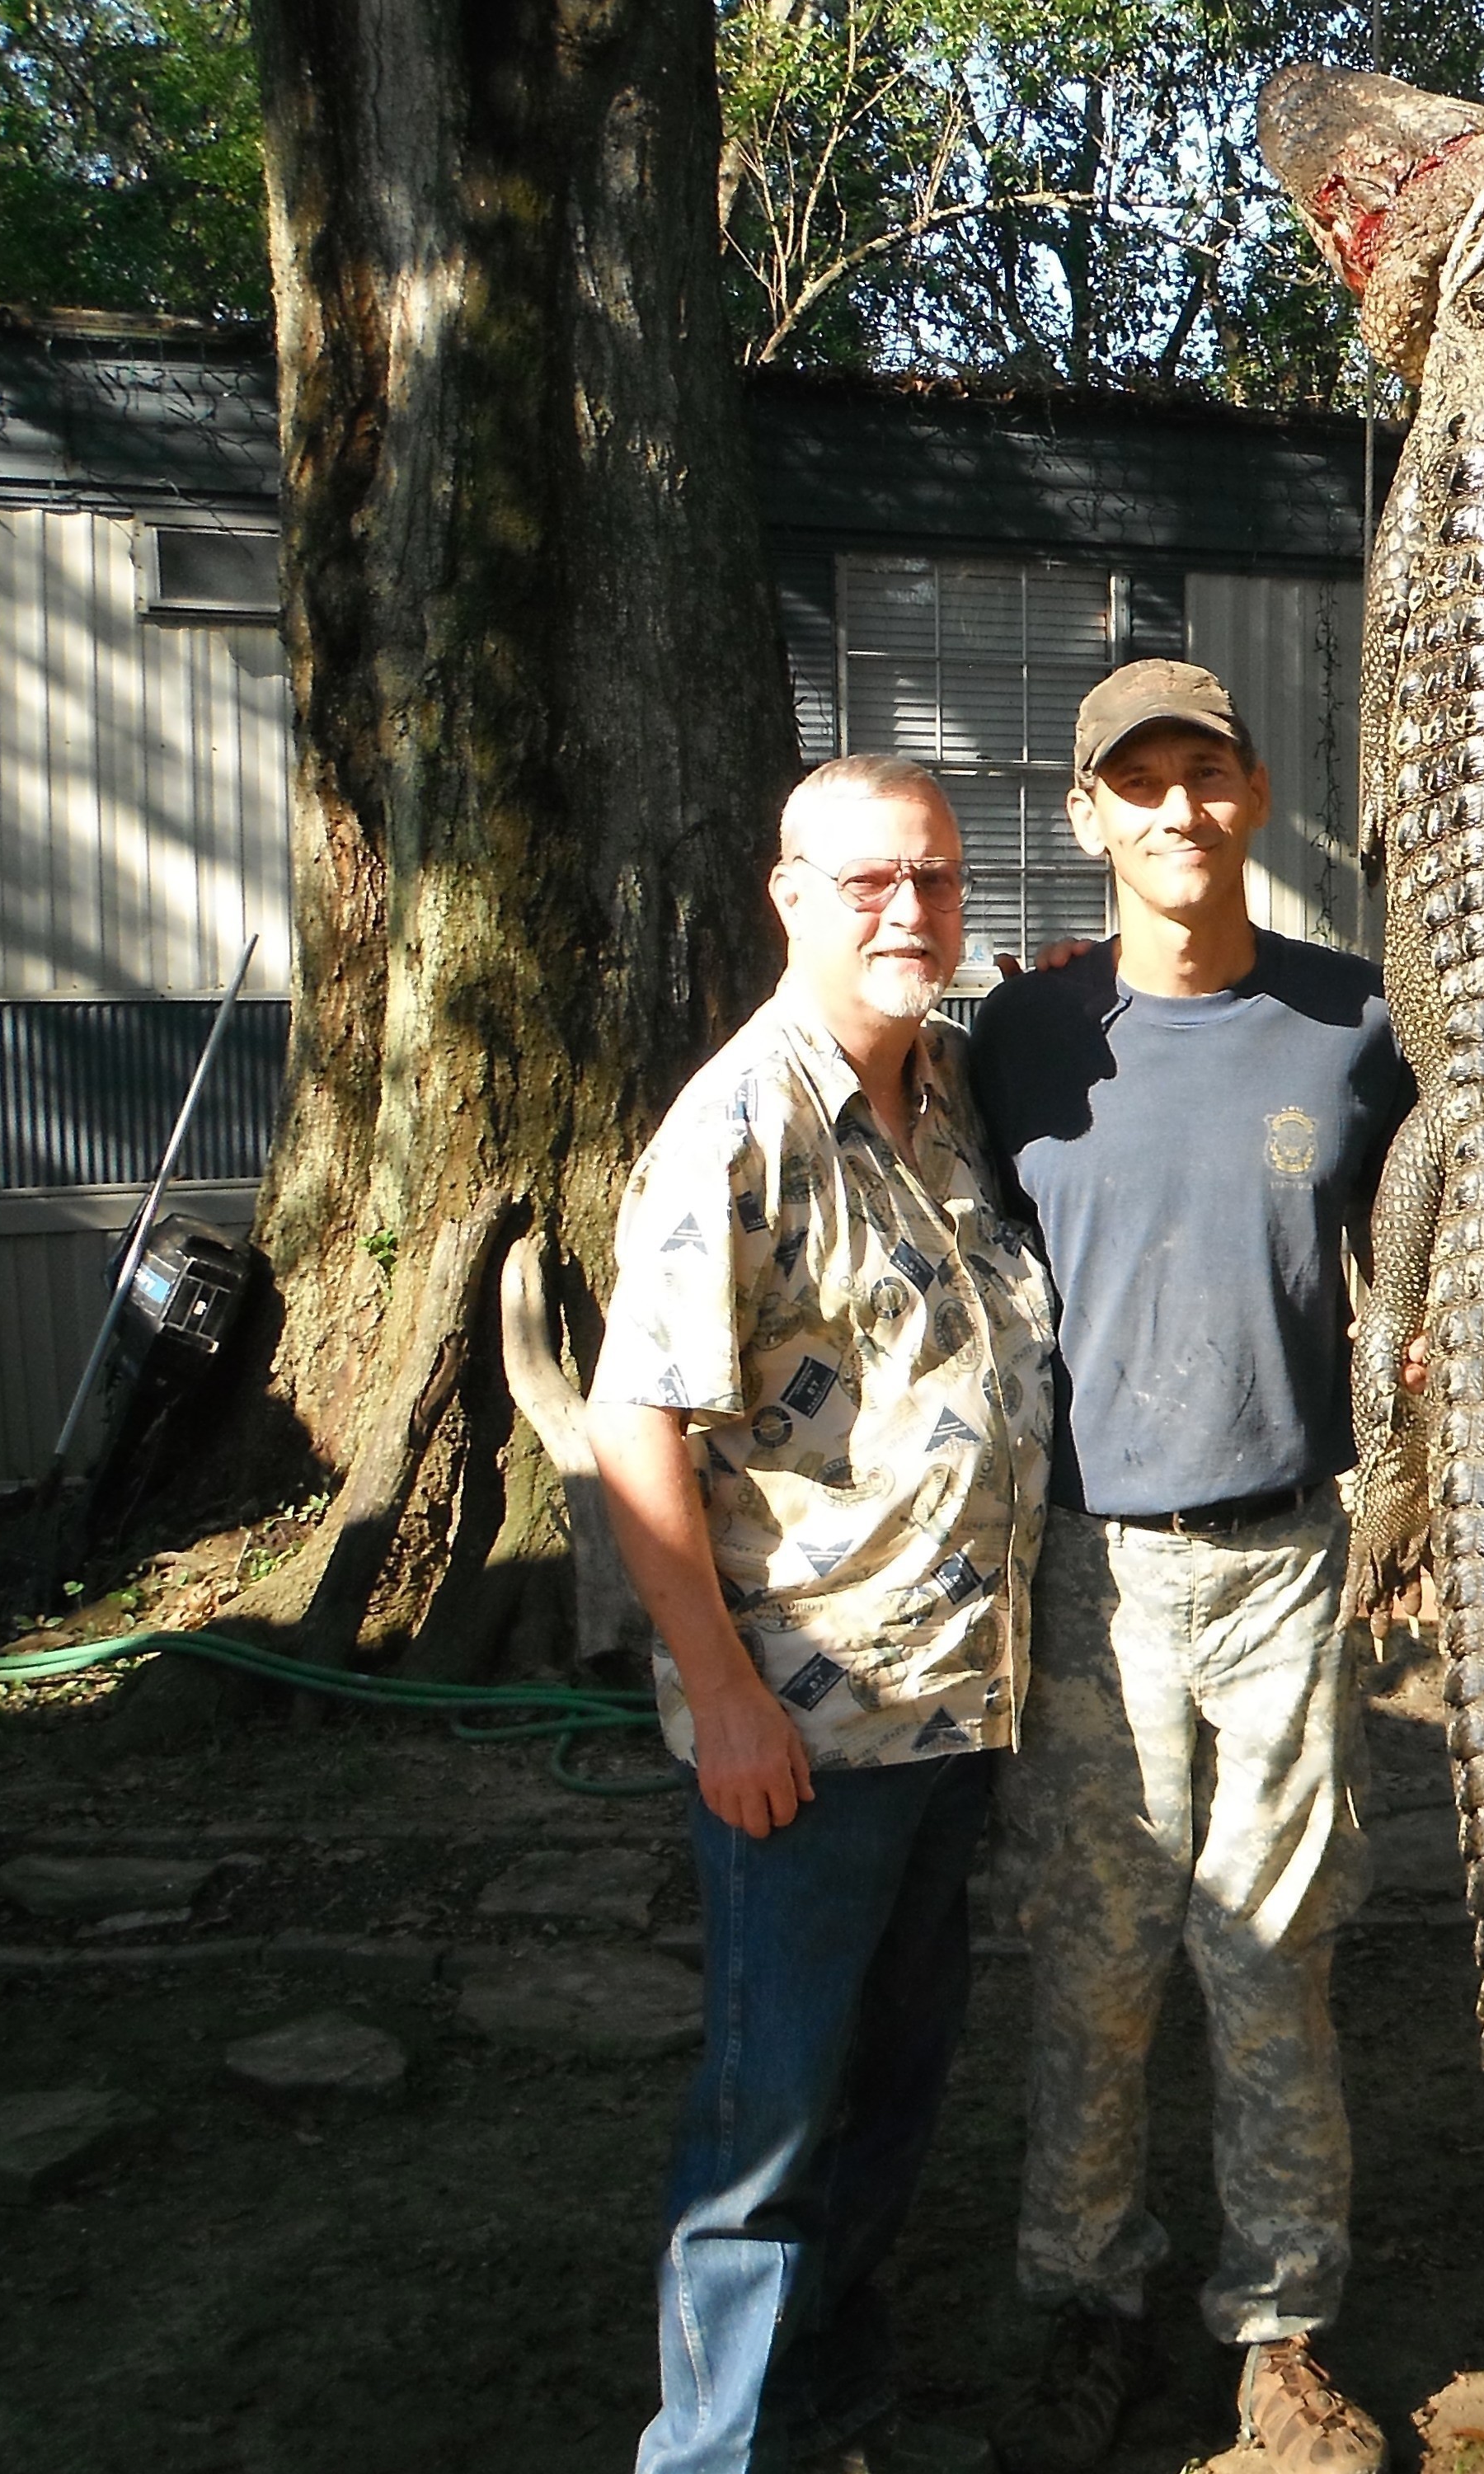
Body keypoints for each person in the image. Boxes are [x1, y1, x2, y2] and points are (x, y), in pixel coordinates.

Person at [965, 660, 1412, 2474]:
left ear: (1254, 795)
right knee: (1095, 1964)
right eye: (1133, 781)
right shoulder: (1017, 1039)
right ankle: (1089, 2299)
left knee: (1274, 1960)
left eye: (1205, 773)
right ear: (1086, 816)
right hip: (1089, 1571)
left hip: (1291, 1553)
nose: (1175, 810)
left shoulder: (1360, 1025)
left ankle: (1282, 2329)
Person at [589, 753, 1058, 2474]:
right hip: (808, 1725)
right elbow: (635, 1421)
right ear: (785, 894)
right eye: (866, 880)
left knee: (886, 2102)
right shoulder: (743, 1121)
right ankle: (711, 2455)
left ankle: (827, 2421)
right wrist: (722, 1695)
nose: (907, 909)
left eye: (932, 876)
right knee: (767, 2134)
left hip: (950, 1715)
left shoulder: (938, 1092)